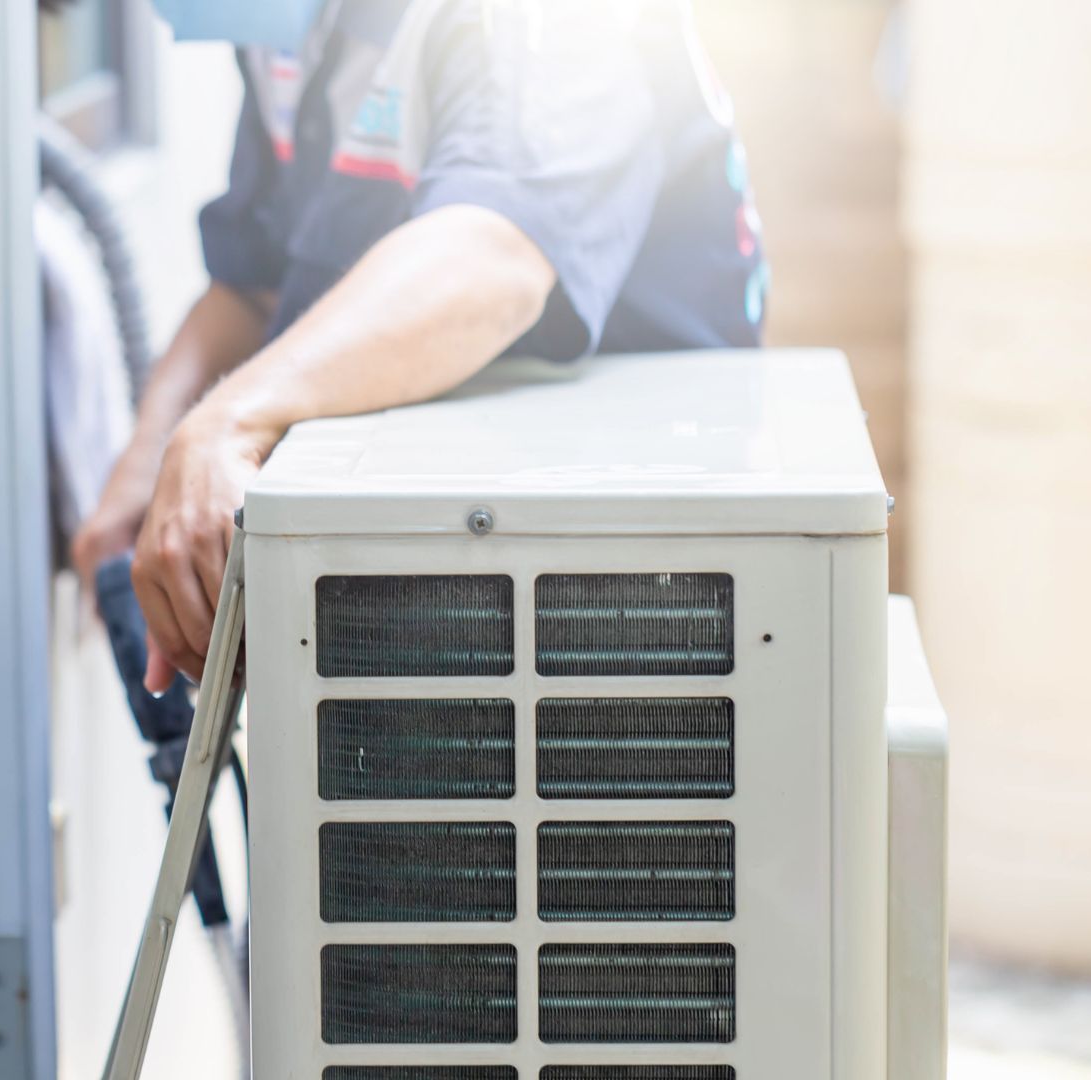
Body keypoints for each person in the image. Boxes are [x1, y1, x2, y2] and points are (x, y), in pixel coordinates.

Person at [75, 0, 767, 691]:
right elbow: (255, 287)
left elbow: (494, 258)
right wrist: (151, 461)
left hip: (623, 582)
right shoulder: (287, 34)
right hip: (432, 569)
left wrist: (227, 423)